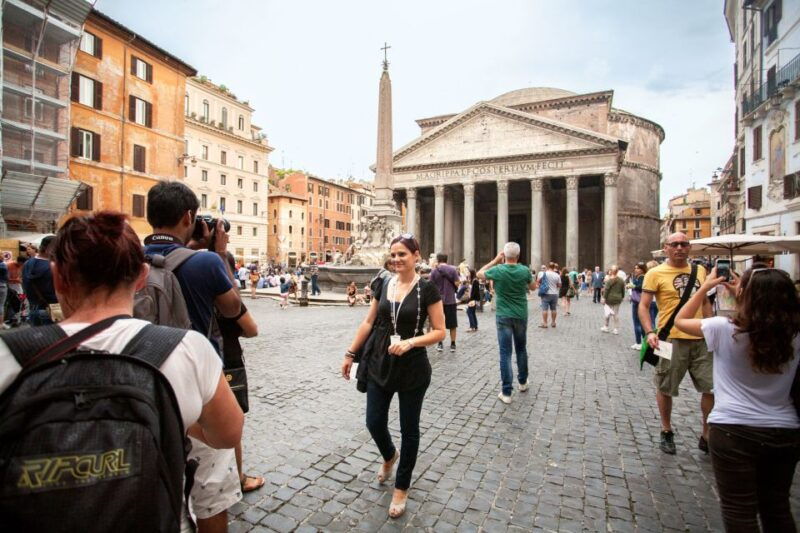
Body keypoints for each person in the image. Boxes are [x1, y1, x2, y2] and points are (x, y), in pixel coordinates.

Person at [0, 211, 243, 531]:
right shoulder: (187, 349)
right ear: (142, 277)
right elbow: (227, 435)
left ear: (57, 277)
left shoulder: (7, 355)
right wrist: (174, 421)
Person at [144, 181, 244, 533]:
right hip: (195, 385)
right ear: (189, 216)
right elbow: (234, 308)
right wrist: (216, 252)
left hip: (143, 379)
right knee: (211, 489)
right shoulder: (204, 262)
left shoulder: (129, 259)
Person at [675, 266, 800, 531]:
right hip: (785, 429)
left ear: (746, 294)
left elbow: (680, 320)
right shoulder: (795, 334)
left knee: (739, 512)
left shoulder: (723, 328)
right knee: (777, 509)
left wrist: (705, 288)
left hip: (733, 429)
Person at [340, 234, 445, 518]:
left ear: (416, 256)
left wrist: (411, 342)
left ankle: (402, 486)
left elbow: (439, 331)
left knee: (410, 430)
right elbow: (369, 321)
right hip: (380, 360)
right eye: (393, 254)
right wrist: (350, 353)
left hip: (412, 364)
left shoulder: (427, 289)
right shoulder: (383, 283)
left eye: (402, 254)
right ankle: (389, 455)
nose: (397, 259)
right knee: (374, 421)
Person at [639, 232, 713, 456]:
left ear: (689, 248)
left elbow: (706, 301)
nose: (680, 247)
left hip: (701, 337)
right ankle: (666, 430)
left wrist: (711, 327)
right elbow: (643, 306)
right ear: (666, 248)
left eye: (684, 244)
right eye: (675, 244)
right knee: (665, 386)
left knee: (711, 387)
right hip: (669, 337)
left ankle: (706, 434)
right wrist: (649, 332)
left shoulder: (700, 271)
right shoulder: (654, 273)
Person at [218, 253, 264, 495]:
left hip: (196, 357)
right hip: (228, 361)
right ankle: (238, 477)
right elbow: (251, 329)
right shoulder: (227, 299)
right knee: (232, 420)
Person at [477, 242, 535, 404]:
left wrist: (495, 261)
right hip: (520, 315)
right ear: (518, 255)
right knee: (521, 349)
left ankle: (507, 392)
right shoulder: (524, 270)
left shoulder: (498, 270)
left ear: (505, 255)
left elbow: (480, 274)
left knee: (505, 353)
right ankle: (523, 382)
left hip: (503, 315)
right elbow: (533, 286)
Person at [22, 235, 57, 326]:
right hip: (51, 309)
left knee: (37, 339)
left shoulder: (27, 263)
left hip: (33, 308)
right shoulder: (52, 266)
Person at [429, 253, 459, 352]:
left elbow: (431, 286)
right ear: (446, 259)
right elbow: (457, 283)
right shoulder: (453, 269)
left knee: (438, 324)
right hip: (450, 300)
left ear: (438, 260)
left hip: (438, 301)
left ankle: (440, 344)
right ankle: (453, 344)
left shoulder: (434, 271)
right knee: (452, 323)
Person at [600, 265, 625, 335]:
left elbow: (606, 290)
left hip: (609, 298)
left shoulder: (609, 280)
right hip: (618, 298)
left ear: (611, 271)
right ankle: (616, 329)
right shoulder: (621, 280)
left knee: (607, 313)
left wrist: (603, 298)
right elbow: (623, 289)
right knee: (616, 314)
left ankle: (606, 326)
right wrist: (622, 297)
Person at [629, 262, 647, 350]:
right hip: (638, 301)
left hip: (638, 302)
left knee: (637, 323)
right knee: (639, 323)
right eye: (635, 268)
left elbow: (640, 287)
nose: (636, 269)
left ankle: (639, 342)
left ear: (642, 269)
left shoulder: (642, 277)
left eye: (638, 268)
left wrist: (632, 286)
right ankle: (641, 342)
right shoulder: (639, 277)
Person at [537, 262, 561, 328]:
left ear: (548, 267)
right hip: (554, 294)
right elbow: (559, 285)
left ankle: (545, 323)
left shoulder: (545, 273)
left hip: (546, 293)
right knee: (554, 309)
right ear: (554, 267)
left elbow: (538, 281)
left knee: (545, 309)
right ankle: (553, 322)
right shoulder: (557, 275)